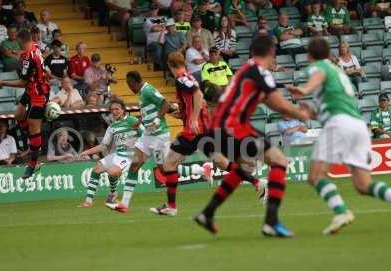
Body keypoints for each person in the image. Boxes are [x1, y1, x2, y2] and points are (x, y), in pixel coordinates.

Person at [193, 36, 310, 237]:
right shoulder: (259, 71)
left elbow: (271, 102)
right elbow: (280, 104)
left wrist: (292, 109)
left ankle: (207, 213)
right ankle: (271, 222)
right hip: (233, 126)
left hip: (221, 126)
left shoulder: (247, 69)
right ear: (271, 53)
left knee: (244, 167)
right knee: (279, 160)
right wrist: (303, 114)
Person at [288, 37, 391, 235]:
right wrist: (314, 113)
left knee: (315, 175)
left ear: (309, 55)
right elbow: (335, 102)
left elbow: (317, 77)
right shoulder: (338, 71)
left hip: (339, 124)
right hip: (357, 125)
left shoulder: (319, 67)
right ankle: (342, 211)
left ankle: (341, 212)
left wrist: (303, 90)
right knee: (363, 184)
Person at [106, 71, 213, 213]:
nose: (129, 87)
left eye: (128, 84)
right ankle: (124, 204)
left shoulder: (148, 90)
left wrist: (156, 121)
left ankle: (201, 170)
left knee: (165, 169)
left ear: (133, 82)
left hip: (159, 137)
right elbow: (153, 110)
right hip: (147, 136)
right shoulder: (142, 93)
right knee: (135, 166)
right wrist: (140, 121)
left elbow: (165, 104)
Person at [147, 52, 214, 216]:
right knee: (222, 160)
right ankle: (257, 182)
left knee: (169, 165)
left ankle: (171, 206)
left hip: (192, 130)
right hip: (198, 127)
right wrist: (182, 114)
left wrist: (193, 119)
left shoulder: (181, 78)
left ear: (170, 64)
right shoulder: (189, 76)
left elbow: (199, 95)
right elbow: (195, 99)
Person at [0, 29, 50, 179]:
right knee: (18, 114)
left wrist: (3, 82)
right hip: (31, 89)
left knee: (33, 125)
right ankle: (31, 144)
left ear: (19, 40)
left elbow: (22, 82)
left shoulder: (28, 57)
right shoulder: (35, 46)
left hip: (38, 93)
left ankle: (33, 163)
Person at [78, 99, 141, 208]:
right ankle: (88, 202)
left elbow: (144, 135)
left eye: (117, 109)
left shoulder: (132, 121)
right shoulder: (112, 127)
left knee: (112, 172)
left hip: (129, 156)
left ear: (123, 110)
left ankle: (113, 193)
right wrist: (86, 152)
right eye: (112, 110)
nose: (114, 112)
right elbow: (103, 146)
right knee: (96, 169)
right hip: (117, 155)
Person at [143, 3, 167, 70]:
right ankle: (158, 66)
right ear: (150, 10)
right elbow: (154, 29)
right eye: (152, 9)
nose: (154, 10)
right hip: (153, 42)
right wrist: (163, 26)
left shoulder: (163, 18)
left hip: (165, 40)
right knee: (158, 46)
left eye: (155, 8)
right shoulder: (147, 20)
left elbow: (168, 27)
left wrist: (160, 27)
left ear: (158, 9)